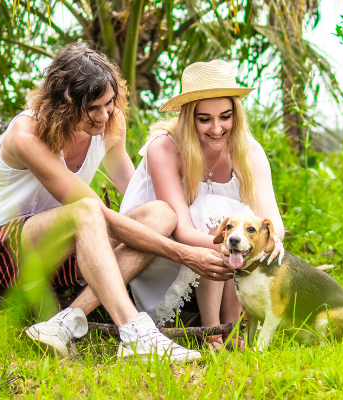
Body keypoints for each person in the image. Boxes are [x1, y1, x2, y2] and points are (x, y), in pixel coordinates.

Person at [0, 43, 227, 362]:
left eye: (109, 103)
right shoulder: (26, 135)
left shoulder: (109, 122)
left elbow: (135, 190)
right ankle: (134, 330)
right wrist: (183, 253)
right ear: (63, 103)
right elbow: (98, 215)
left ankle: (65, 321)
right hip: (8, 253)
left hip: (73, 249)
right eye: (93, 108)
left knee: (161, 212)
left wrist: (194, 223)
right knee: (88, 209)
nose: (104, 115)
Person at [119, 60, 286, 350]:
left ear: (236, 113)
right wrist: (229, 243)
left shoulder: (248, 150)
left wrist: (272, 242)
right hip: (162, 250)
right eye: (204, 118)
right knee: (220, 216)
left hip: (220, 249)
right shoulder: (166, 147)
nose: (217, 128)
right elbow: (182, 230)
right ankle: (210, 329)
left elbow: (272, 220)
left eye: (225, 116)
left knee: (237, 223)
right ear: (188, 116)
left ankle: (232, 325)